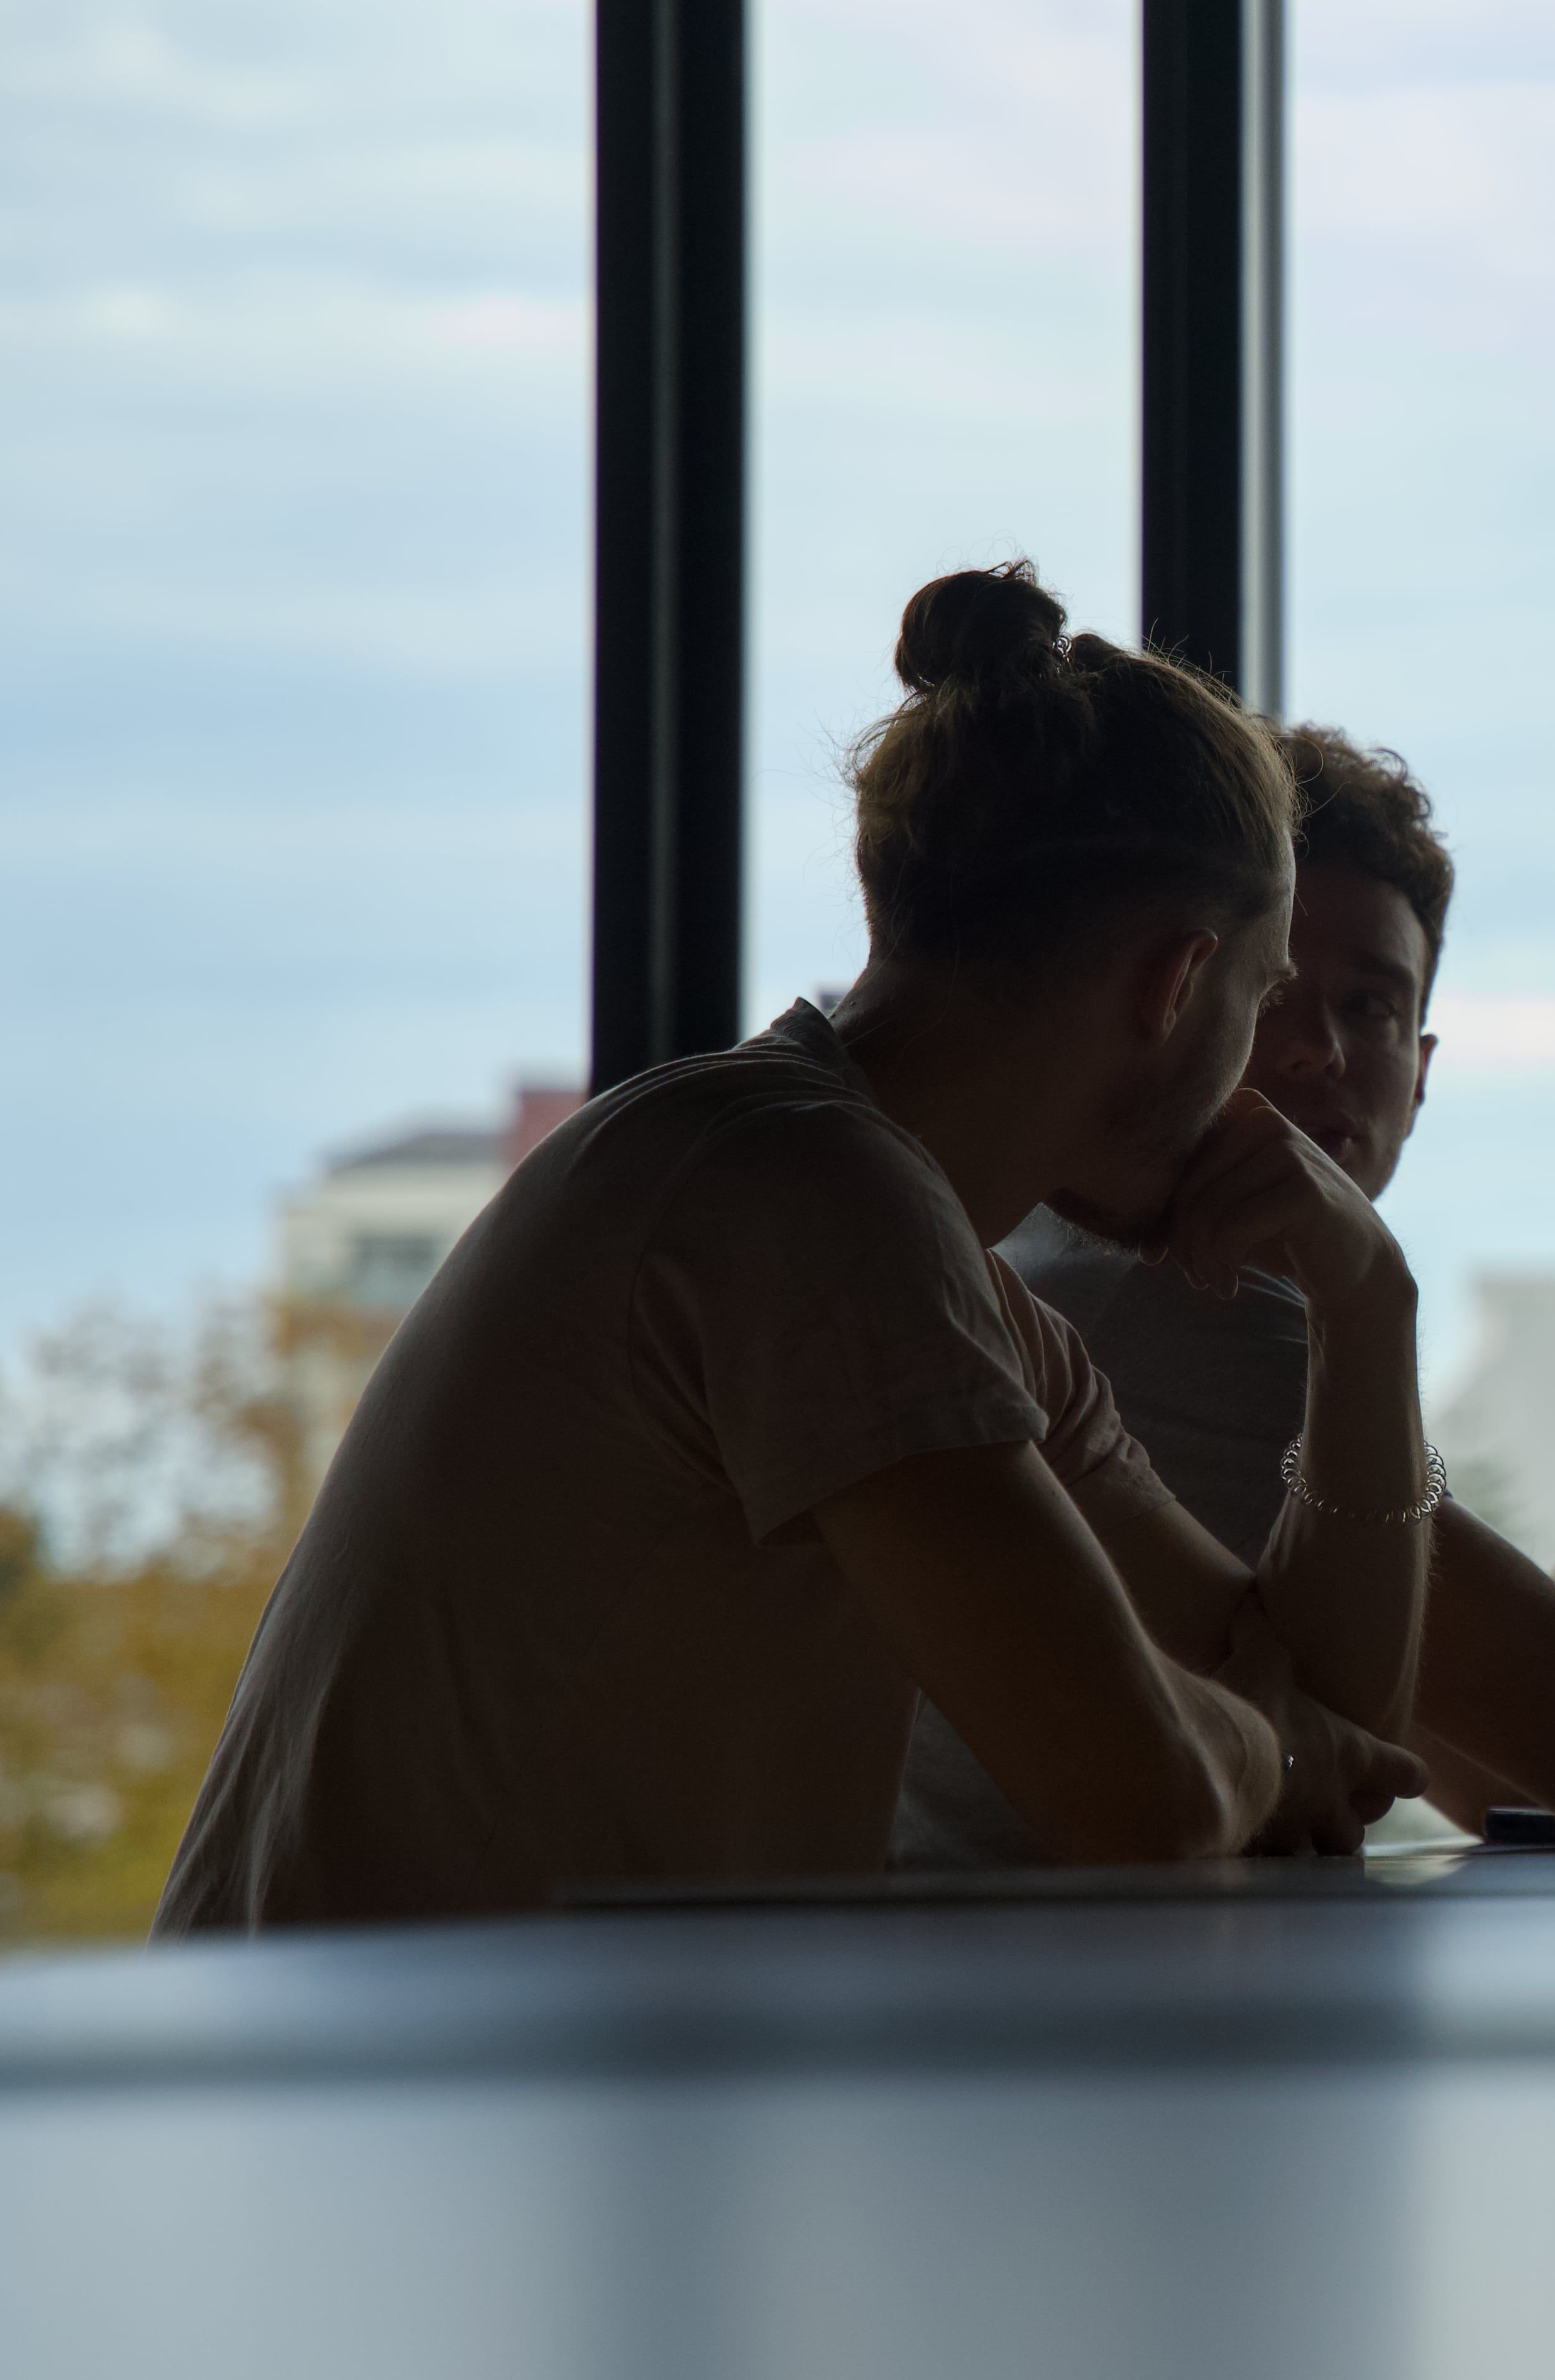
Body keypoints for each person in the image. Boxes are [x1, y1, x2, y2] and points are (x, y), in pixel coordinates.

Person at [158, 564, 1432, 1929]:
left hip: (459, 2091)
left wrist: (1371, 1299)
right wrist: (1272, 1746)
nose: (1260, 1064)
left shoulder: (914, 1250)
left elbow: (1330, 1710)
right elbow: (1148, 1794)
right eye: (1260, 994)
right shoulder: (804, 1200)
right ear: (1178, 982)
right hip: (368, 2112)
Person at [894, 726, 1555, 1863]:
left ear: (1420, 1077)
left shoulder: (1061, 1260)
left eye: (1370, 1008)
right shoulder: (1180, 1306)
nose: (1316, 1050)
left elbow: (1481, 1769)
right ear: (1182, 991)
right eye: (1270, 988)